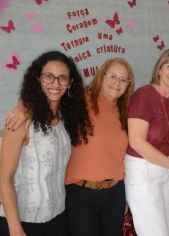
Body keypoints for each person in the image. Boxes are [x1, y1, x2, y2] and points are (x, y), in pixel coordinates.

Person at [0, 51, 91, 236]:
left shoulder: (65, 121)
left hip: (57, 218)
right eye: (49, 76)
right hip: (21, 221)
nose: (56, 84)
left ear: (70, 83)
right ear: (38, 79)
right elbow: (4, 178)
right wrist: (16, 229)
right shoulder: (20, 122)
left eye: (62, 78)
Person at [125, 48, 169, 236]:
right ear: (159, 70)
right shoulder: (144, 94)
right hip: (144, 170)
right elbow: (136, 141)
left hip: (168, 170)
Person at [64, 58, 134, 236]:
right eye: (112, 76)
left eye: (123, 79)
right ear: (101, 76)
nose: (117, 83)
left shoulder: (125, 110)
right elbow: (48, 97)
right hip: (81, 193)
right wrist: (22, 108)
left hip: (114, 194)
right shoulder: (80, 98)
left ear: (128, 84)